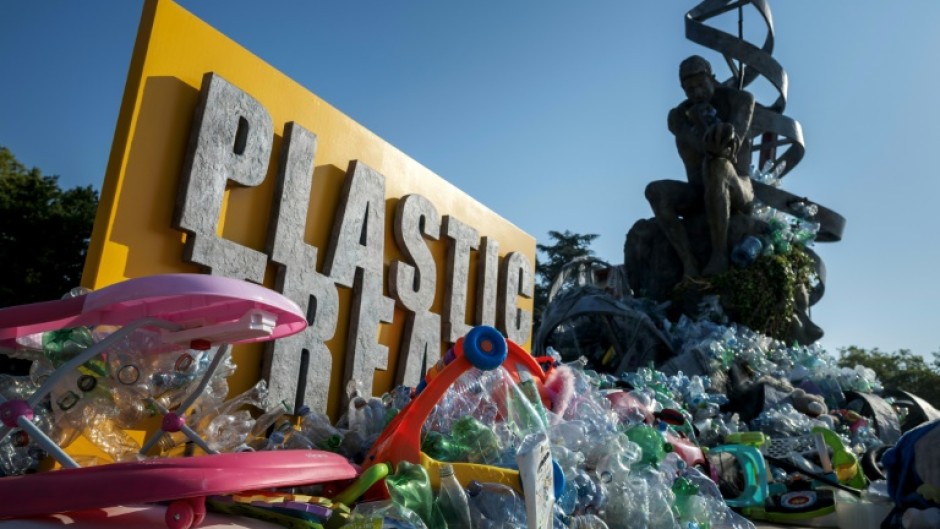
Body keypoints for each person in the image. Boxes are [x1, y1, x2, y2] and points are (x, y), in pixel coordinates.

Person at [645, 55, 756, 278]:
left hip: (738, 186)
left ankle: (719, 254)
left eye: (700, 85)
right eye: (689, 89)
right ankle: (689, 263)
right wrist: (698, 120)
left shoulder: (740, 99)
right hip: (699, 190)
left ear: (712, 79)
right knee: (655, 191)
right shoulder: (678, 115)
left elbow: (729, 148)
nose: (696, 93)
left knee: (717, 165)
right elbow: (696, 142)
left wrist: (724, 132)